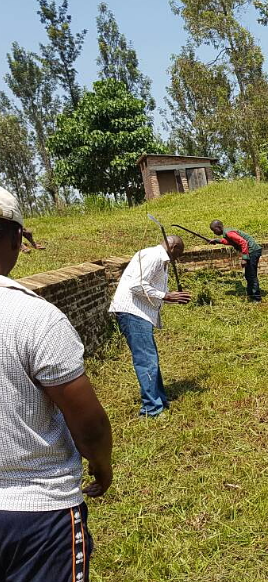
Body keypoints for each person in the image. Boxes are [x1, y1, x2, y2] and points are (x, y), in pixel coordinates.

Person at [0, 187, 113, 581]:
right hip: (37, 511)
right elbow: (89, 424)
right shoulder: (35, 319)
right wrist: (102, 466)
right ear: (17, 238)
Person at [109, 236, 192, 417]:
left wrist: (173, 297)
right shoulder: (153, 256)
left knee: (150, 358)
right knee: (146, 360)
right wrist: (166, 296)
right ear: (173, 247)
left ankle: (159, 400)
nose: (177, 258)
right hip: (133, 313)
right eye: (179, 254)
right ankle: (151, 409)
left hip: (140, 313)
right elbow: (136, 285)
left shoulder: (159, 259)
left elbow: (150, 291)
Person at [209, 220, 263, 302]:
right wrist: (217, 241)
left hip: (252, 251)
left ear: (219, 227)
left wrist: (244, 258)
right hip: (252, 251)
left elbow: (243, 242)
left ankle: (256, 298)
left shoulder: (228, 233)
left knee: (251, 275)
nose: (214, 232)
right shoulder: (227, 233)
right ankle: (250, 294)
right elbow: (230, 242)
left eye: (214, 230)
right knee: (248, 275)